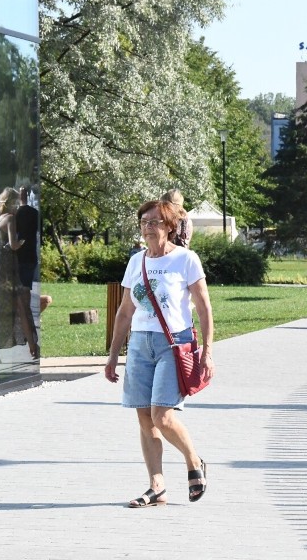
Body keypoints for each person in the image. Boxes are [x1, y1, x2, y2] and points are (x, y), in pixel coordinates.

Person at [104, 200, 215, 507]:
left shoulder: (186, 260)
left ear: (169, 226)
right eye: (144, 222)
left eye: (154, 222)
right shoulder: (136, 262)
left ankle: (194, 460)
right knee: (144, 417)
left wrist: (207, 350)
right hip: (140, 344)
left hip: (173, 343)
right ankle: (157, 486)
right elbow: (125, 312)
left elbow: (204, 307)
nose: (148, 227)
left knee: (161, 416)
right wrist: (113, 355)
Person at [0, 188, 37, 363]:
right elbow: (13, 245)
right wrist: (22, 242)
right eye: (16, 203)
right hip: (7, 270)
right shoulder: (9, 219)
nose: (17, 207)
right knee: (21, 306)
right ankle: (32, 346)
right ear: (10, 203)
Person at [15, 187, 40, 358]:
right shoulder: (34, 213)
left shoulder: (13, 214)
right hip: (29, 255)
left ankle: (26, 329)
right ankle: (28, 328)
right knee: (26, 292)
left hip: (17, 257)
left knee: (20, 295)